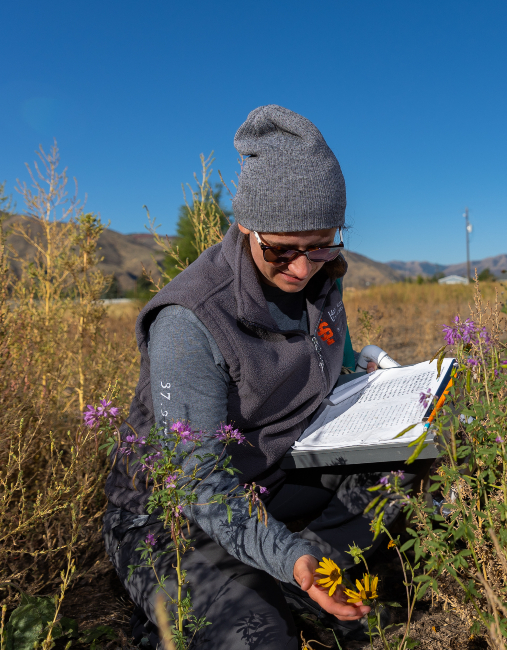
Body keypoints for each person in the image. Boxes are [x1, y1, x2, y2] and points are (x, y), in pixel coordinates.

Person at [103, 105, 417, 648]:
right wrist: (292, 556)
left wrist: (358, 379)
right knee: (262, 638)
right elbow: (200, 484)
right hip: (176, 518)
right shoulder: (190, 320)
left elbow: (316, 367)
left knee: (413, 479)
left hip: (276, 479)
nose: (301, 269)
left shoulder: (323, 277)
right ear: (245, 225)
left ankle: (278, 582)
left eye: (320, 246)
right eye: (282, 250)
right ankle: (205, 606)